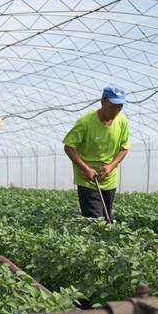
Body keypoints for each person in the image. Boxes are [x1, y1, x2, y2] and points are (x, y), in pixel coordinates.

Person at [63, 86, 130, 221]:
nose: (117, 110)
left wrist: (111, 166)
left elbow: (124, 148)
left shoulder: (122, 121)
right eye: (113, 105)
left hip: (109, 178)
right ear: (103, 102)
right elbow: (69, 146)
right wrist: (86, 168)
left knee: (107, 218)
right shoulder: (86, 122)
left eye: (120, 106)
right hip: (88, 179)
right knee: (94, 219)